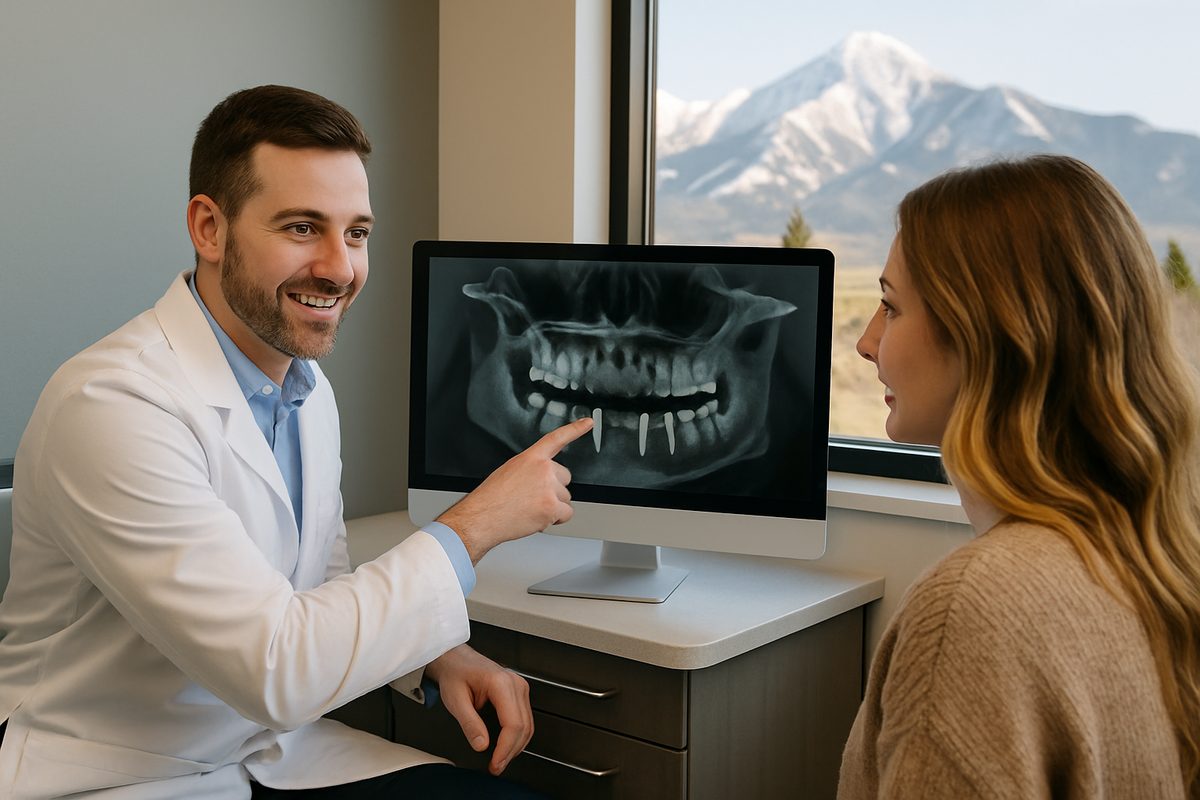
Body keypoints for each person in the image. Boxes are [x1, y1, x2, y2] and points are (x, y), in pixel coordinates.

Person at [0, 85, 593, 799]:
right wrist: (476, 524)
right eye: (302, 227)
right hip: (118, 769)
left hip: (268, 753)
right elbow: (277, 669)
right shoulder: (111, 405)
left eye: (357, 232)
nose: (340, 268)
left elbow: (316, 588)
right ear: (209, 228)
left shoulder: (304, 385)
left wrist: (435, 654)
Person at [840, 154, 1200, 798]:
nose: (868, 344)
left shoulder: (974, 610)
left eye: (891, 308)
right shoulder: (1151, 548)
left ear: (988, 336)